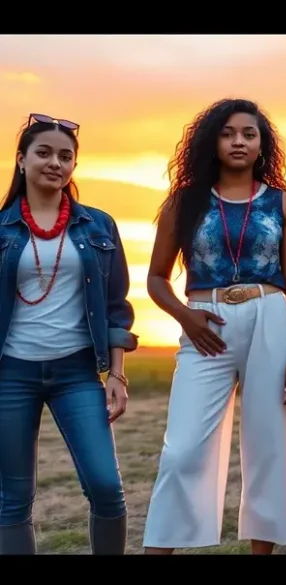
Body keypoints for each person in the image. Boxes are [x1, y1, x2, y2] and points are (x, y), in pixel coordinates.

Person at [142, 98, 286, 555]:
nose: (239, 141)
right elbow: (156, 279)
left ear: (262, 145)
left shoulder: (284, 203)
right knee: (182, 451)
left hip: (270, 318)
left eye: (249, 134)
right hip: (205, 324)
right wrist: (185, 317)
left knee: (269, 448)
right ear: (212, 141)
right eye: (228, 133)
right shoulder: (184, 202)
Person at [0, 114, 137, 555]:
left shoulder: (98, 226)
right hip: (10, 375)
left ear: (74, 165)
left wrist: (116, 374)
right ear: (21, 160)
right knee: (13, 501)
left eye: (65, 156)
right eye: (43, 153)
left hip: (77, 371)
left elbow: (117, 306)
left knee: (105, 486)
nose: (54, 163)